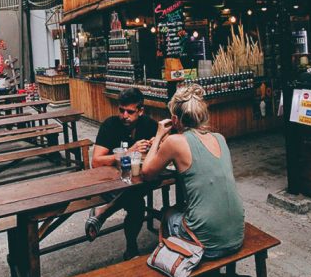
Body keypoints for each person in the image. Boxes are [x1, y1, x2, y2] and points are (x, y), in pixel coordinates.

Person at [142, 84, 245, 259]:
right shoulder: (220, 138)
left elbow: (147, 172)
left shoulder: (174, 141)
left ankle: (181, 271)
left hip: (208, 244)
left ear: (174, 120)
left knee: (168, 214)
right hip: (236, 235)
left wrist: (159, 135)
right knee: (186, 208)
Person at [85, 88, 158, 259]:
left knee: (138, 194)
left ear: (140, 111)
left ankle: (103, 212)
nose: (124, 115)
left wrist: (158, 141)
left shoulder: (148, 124)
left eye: (130, 111)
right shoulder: (110, 125)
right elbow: (95, 162)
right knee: (137, 203)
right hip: (112, 182)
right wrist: (128, 152)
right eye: (121, 110)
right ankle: (131, 249)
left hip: (138, 181)